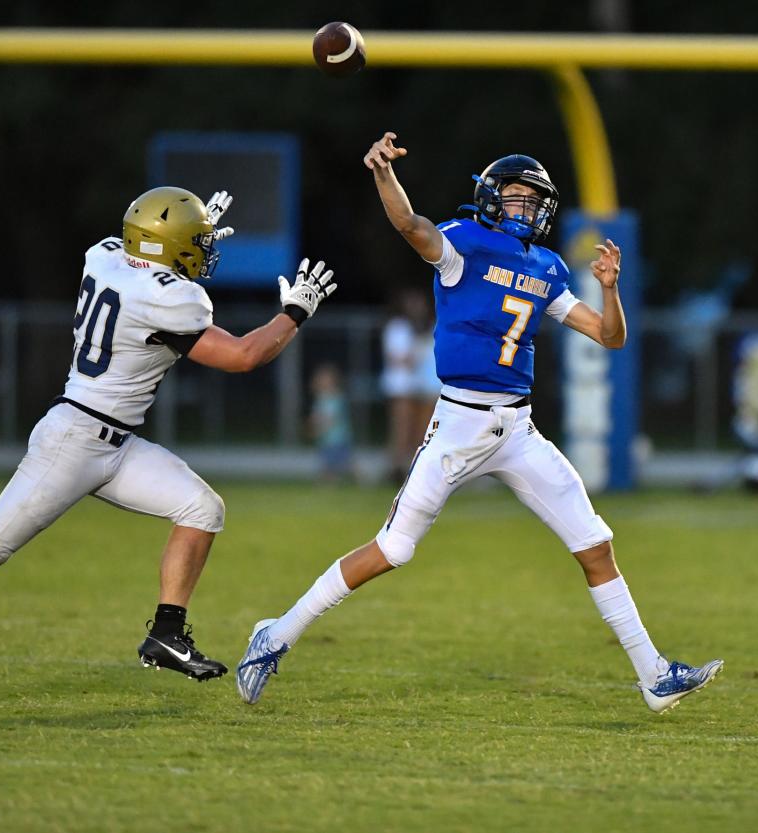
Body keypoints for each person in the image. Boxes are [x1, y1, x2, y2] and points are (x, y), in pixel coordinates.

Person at [236, 132, 723, 713]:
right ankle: (277, 633)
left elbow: (608, 335)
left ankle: (653, 676)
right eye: (517, 197)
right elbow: (410, 226)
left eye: (534, 201)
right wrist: (383, 174)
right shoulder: (464, 243)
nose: (528, 209)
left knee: (595, 543)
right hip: (459, 424)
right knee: (394, 549)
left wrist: (610, 290)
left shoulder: (546, 265)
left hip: (518, 430)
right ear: (492, 197)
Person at [0, 186, 336, 681]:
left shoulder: (105, 256)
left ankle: (166, 635)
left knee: (203, 509)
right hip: (74, 440)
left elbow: (146, 259)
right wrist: (294, 313)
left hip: (115, 442)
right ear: (169, 246)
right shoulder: (172, 298)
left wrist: (185, 232)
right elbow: (244, 356)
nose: (205, 252)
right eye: (196, 243)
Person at [381, 289, 439, 481]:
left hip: (421, 386)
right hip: (401, 387)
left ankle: (415, 471)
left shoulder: (428, 327)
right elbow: (399, 358)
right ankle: (395, 470)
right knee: (401, 429)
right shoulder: (397, 327)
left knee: (421, 431)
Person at [308, 363, 353, 481]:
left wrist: (320, 428)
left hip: (338, 439)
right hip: (325, 440)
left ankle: (360, 479)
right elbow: (316, 416)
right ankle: (330, 480)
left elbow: (333, 419)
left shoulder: (337, 399)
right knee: (328, 464)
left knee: (344, 464)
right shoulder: (320, 399)